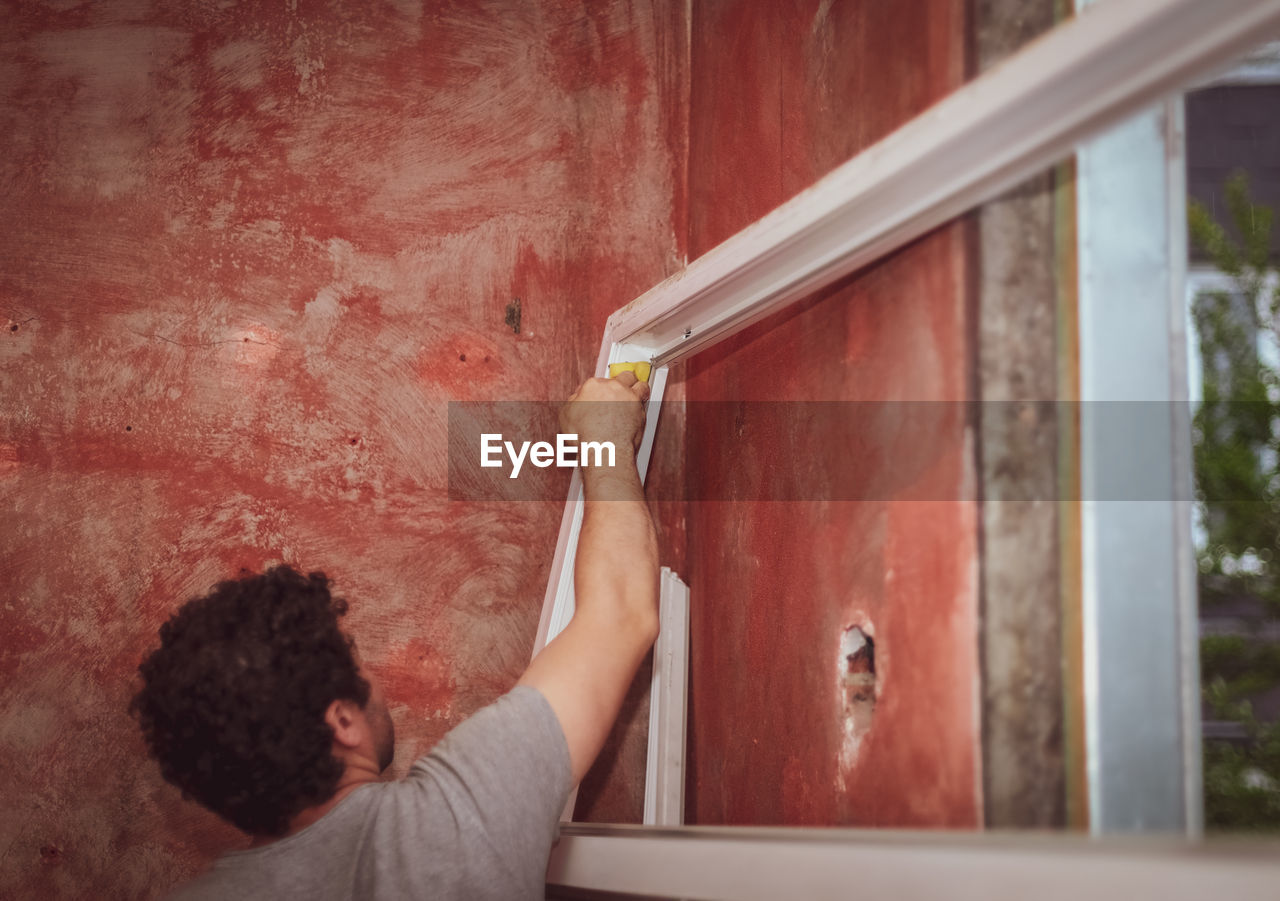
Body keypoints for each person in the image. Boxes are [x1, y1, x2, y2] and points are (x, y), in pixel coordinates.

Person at [130, 372, 659, 900]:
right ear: (341, 721)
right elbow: (619, 612)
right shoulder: (448, 820)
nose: (375, 680)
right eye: (357, 665)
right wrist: (604, 440)